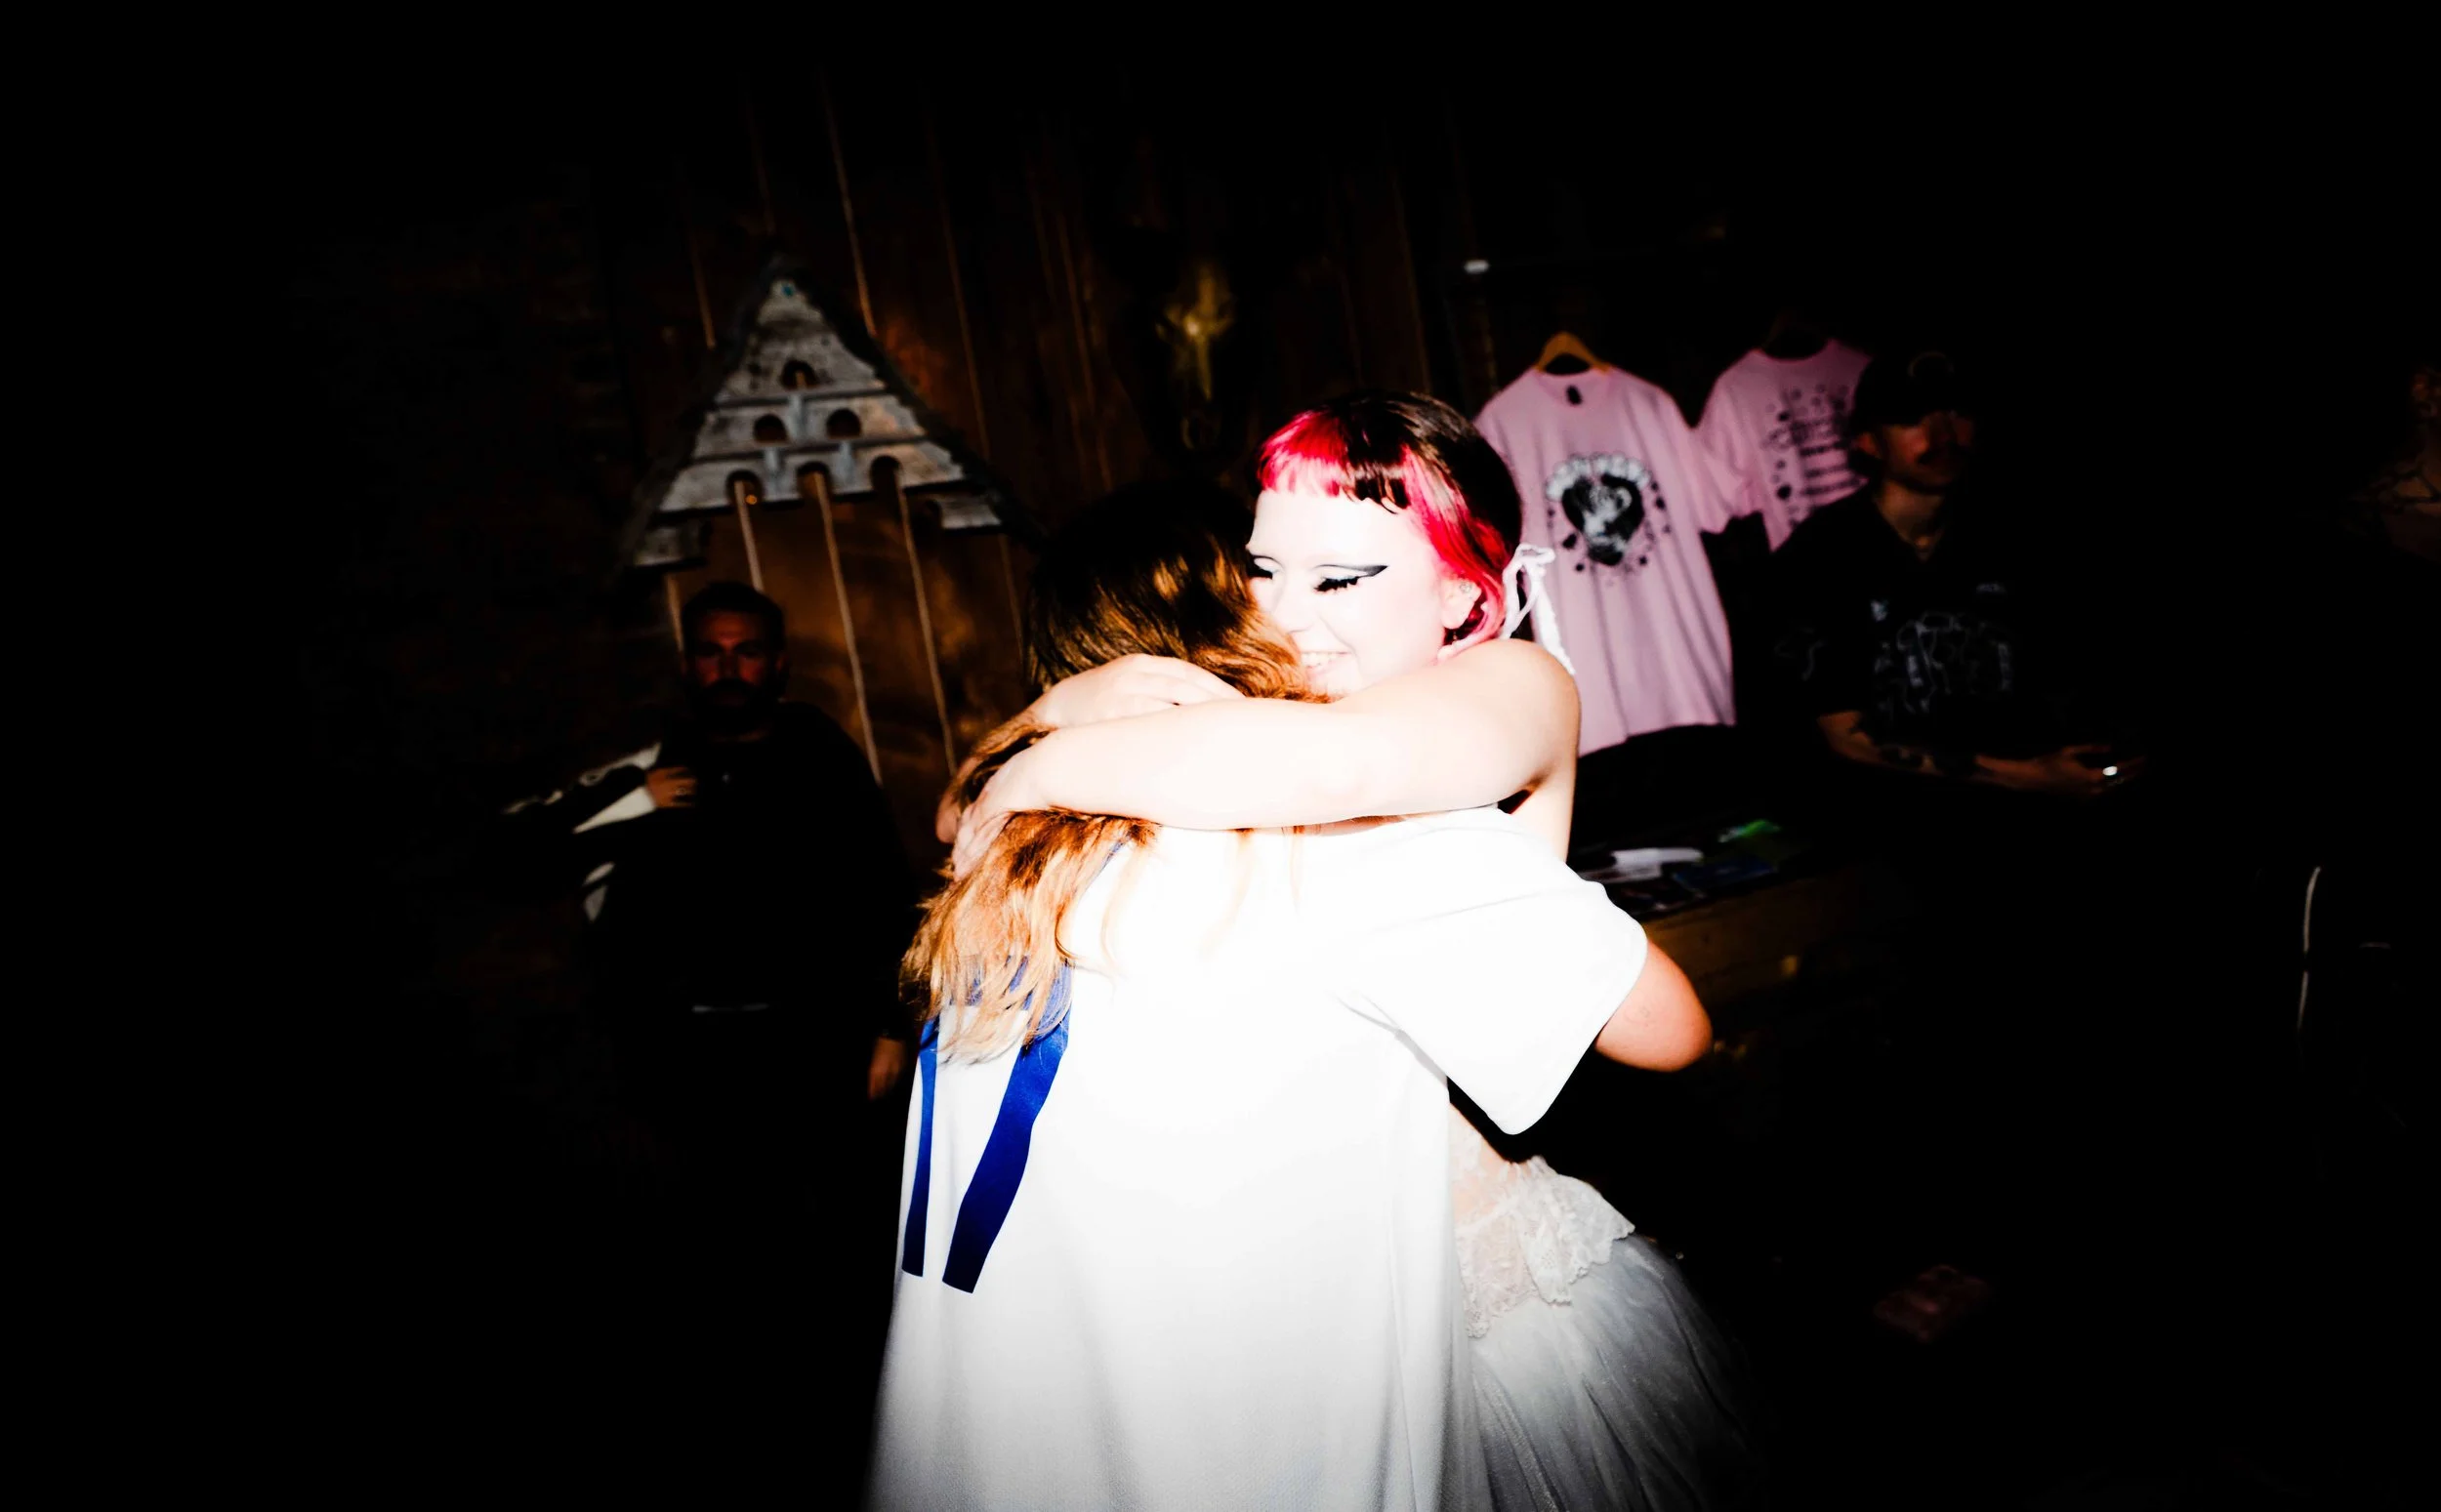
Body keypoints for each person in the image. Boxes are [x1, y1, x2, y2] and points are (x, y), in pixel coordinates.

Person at [944, 394, 1765, 1511]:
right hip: (1322, 1326)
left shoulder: (1496, 693)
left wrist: (1034, 762)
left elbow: (1344, 770)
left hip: (1487, 1305)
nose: (1285, 614)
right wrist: (1052, 717)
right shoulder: (1249, 759)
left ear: (1468, 595)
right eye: (1262, 570)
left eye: (1340, 578)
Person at [496, 580, 918, 1210]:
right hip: (687, 1056)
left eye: (746, 651)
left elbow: (883, 887)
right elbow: (517, 851)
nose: (728, 669)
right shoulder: (655, 761)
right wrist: (635, 802)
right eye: (710, 652)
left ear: (777, 663)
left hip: (815, 1043)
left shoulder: (818, 752)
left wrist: (892, 1027)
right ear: (687, 664)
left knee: (832, 1214)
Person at [1764, 349, 2144, 803]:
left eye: (1955, 411)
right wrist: (2027, 776)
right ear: (1867, 441)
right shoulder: (1820, 557)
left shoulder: (2019, 535)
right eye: (1912, 418)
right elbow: (1846, 737)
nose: (1942, 434)